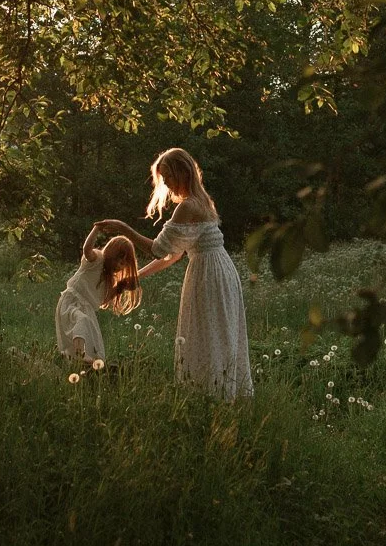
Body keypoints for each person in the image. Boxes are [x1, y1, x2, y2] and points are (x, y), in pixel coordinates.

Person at [94, 147, 253, 400]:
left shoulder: (189, 206)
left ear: (183, 172)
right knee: (214, 334)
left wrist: (124, 229)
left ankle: (212, 396)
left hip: (209, 275)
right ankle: (217, 394)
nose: (166, 184)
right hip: (219, 270)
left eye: (168, 177)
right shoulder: (202, 202)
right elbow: (174, 255)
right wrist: (136, 278)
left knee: (208, 334)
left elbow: (158, 249)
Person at [55, 225, 141, 365]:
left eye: (124, 264)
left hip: (87, 309)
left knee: (93, 345)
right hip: (71, 301)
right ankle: (79, 354)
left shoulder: (110, 281)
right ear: (111, 254)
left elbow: (102, 301)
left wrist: (121, 287)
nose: (120, 266)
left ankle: (86, 364)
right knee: (82, 321)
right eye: (119, 260)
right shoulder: (96, 261)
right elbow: (87, 249)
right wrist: (97, 229)